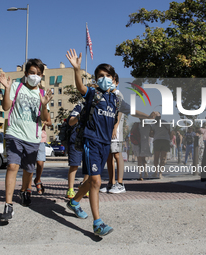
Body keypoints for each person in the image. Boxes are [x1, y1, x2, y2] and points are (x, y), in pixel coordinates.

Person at [65, 49, 120, 236]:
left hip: (106, 144)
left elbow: (133, 110)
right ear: (96, 80)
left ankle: (74, 202)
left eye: (107, 76)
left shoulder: (115, 100)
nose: (104, 78)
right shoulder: (93, 94)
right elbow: (81, 88)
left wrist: (154, 116)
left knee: (91, 181)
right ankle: (98, 223)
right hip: (92, 141)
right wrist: (76, 69)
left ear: (113, 78)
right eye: (100, 76)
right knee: (95, 181)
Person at [0, 58, 52, 222]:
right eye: (31, 73)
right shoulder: (16, 86)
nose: (34, 76)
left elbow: (45, 119)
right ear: (26, 73)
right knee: (12, 166)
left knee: (29, 170)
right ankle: (8, 205)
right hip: (15, 134)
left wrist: (44, 105)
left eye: (38, 74)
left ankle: (24, 191)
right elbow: (6, 107)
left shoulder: (42, 94)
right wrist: (7, 89)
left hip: (33, 138)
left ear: (42, 76)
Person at [100, 73, 126, 194]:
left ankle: (120, 183)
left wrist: (115, 127)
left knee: (117, 154)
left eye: (113, 80)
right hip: (106, 131)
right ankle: (111, 183)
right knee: (109, 156)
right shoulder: (107, 95)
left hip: (116, 132)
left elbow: (119, 112)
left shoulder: (118, 94)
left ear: (116, 82)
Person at [66, 102, 89, 199]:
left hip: (90, 139)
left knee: (89, 165)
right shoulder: (81, 106)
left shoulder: (99, 106)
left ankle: (84, 185)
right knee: (74, 164)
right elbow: (71, 122)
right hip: (76, 139)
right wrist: (80, 115)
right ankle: (70, 189)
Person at [151, 112, 171, 179]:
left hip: (157, 141)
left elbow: (151, 133)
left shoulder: (154, 124)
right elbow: (169, 132)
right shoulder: (166, 123)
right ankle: (160, 173)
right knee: (163, 158)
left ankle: (155, 172)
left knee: (156, 157)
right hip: (165, 141)